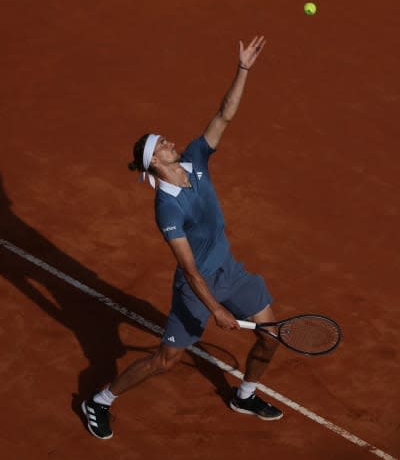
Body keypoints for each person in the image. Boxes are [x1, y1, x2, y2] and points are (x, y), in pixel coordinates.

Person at [82, 36, 283, 440]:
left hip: (230, 272)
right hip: (196, 290)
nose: (172, 142)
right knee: (166, 360)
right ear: (155, 162)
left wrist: (242, 69)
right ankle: (99, 400)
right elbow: (189, 270)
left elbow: (223, 115)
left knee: (270, 335)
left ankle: (244, 394)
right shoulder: (167, 210)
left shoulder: (195, 159)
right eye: (164, 145)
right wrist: (216, 311)